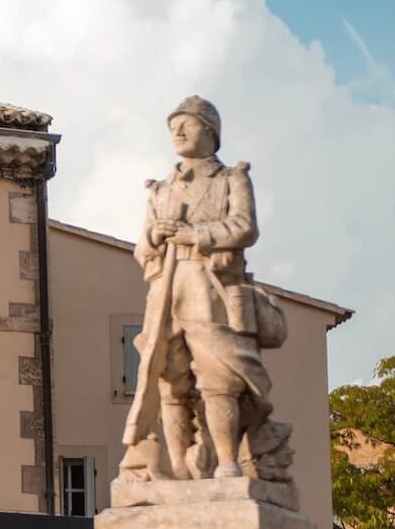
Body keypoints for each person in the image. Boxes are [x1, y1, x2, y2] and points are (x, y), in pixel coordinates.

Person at [122, 97, 288, 482]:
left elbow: (245, 227)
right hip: (165, 291)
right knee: (169, 379)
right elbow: (140, 250)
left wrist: (195, 234)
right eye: (172, 126)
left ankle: (228, 462)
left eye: (187, 124)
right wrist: (153, 234)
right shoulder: (160, 189)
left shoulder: (231, 178)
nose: (177, 132)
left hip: (209, 286)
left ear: (210, 132)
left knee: (220, 376)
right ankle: (181, 471)